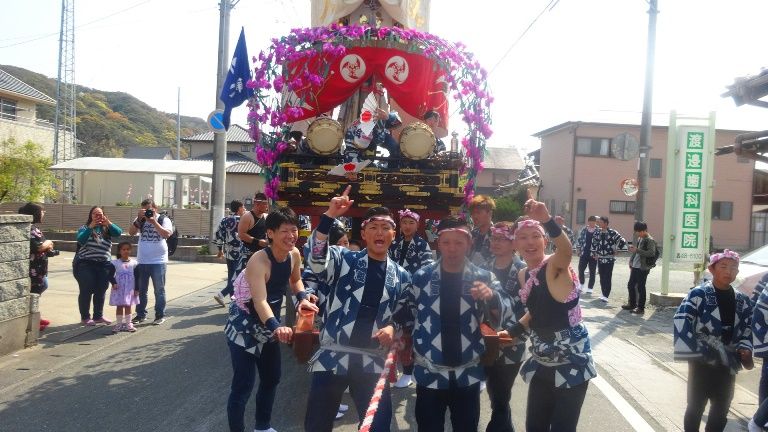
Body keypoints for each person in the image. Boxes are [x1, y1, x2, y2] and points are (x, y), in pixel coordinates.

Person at [303, 186, 411, 431]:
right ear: (363, 233)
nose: (379, 232)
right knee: (317, 425)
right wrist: (330, 215)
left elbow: (404, 315)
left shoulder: (402, 276)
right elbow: (317, 258)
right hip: (333, 355)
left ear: (394, 234)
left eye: (385, 228)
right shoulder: (343, 259)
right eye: (373, 227)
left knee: (379, 425)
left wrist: (393, 328)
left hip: (371, 359)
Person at [390, 216, 513, 432]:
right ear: (438, 243)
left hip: (468, 373)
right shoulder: (421, 277)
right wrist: (395, 333)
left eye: (459, 243)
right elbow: (404, 312)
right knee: (429, 427)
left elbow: (507, 311)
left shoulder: (483, 276)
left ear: (468, 244)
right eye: (446, 242)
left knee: (466, 427)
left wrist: (491, 296)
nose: (452, 248)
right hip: (430, 372)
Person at [224, 206, 317, 432]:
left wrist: (303, 298)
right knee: (243, 386)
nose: (291, 236)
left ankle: (262, 426)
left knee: (271, 378)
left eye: (294, 230)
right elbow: (260, 302)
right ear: (271, 233)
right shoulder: (259, 261)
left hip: (268, 327)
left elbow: (295, 282)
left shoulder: (294, 254)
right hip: (244, 328)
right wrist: (277, 327)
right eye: (285, 231)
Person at [512, 194, 596, 432]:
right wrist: (513, 331)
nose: (530, 243)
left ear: (545, 240)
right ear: (515, 244)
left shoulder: (554, 266)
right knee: (535, 427)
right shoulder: (523, 275)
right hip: (542, 361)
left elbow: (566, 249)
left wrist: (546, 219)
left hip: (571, 362)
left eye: (536, 236)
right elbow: (537, 311)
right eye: (523, 238)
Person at [674, 249, 753, 432]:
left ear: (738, 272)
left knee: (722, 407)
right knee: (696, 405)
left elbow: (747, 328)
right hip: (702, 358)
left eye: (733, 268)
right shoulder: (698, 294)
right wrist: (696, 350)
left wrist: (745, 348)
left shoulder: (742, 300)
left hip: (728, 360)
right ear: (712, 269)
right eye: (723, 266)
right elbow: (682, 319)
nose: (728, 271)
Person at [482, 221, 527, 432]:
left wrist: (509, 338)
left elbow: (530, 311)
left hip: (513, 341)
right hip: (486, 339)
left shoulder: (523, 271)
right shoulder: (484, 268)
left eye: (502, 239)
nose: (496, 242)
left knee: (501, 395)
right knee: (495, 394)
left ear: (513, 244)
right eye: (493, 238)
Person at [388, 208, 434, 389]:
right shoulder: (394, 243)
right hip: (395, 293)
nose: (407, 226)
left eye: (411, 223)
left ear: (417, 225)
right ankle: (400, 370)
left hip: (415, 296)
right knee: (397, 334)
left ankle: (413, 370)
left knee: (414, 334)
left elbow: (427, 270)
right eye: (404, 222)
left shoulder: (422, 244)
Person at [74, 206, 123, 326]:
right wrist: (91, 227)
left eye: (100, 214)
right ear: (90, 216)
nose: (98, 216)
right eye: (95, 214)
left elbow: (119, 233)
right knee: (86, 289)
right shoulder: (85, 228)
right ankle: (85, 317)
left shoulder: (107, 228)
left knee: (101, 289)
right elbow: (81, 240)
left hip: (103, 264)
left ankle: (98, 316)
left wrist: (109, 223)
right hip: (85, 263)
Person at [129, 199, 173, 325]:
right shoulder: (140, 220)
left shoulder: (163, 219)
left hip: (159, 261)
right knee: (141, 290)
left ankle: (160, 315)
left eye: (150, 209)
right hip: (142, 260)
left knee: (159, 289)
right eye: (145, 210)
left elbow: (166, 234)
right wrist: (138, 219)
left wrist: (153, 221)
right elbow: (131, 233)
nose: (147, 212)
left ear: (155, 208)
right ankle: (140, 314)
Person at [18, 202, 54, 332]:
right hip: (33, 268)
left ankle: (35, 317)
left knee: (39, 288)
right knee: (36, 290)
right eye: (42, 211)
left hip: (39, 267)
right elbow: (38, 247)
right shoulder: (29, 228)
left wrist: (47, 246)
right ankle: (32, 320)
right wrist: (49, 243)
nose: (43, 213)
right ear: (35, 213)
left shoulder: (34, 228)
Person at [214, 200, 246, 307]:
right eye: (243, 207)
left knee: (231, 276)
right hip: (239, 252)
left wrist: (220, 249)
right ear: (239, 209)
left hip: (228, 252)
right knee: (237, 277)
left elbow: (219, 234)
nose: (245, 209)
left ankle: (233, 300)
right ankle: (221, 294)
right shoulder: (243, 220)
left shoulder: (225, 220)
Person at [622, 221, 657, 315]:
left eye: (638, 231)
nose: (637, 233)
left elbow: (651, 253)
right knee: (630, 285)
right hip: (635, 266)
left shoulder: (650, 240)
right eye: (636, 231)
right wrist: (631, 260)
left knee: (641, 287)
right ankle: (632, 304)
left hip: (643, 267)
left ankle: (641, 308)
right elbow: (636, 251)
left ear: (644, 230)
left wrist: (637, 250)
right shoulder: (640, 239)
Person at [590, 216, 626, 303]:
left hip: (609, 258)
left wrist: (618, 250)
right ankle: (603, 293)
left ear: (606, 223)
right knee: (602, 276)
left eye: (600, 222)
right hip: (600, 258)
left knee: (608, 276)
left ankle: (606, 295)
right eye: (598, 222)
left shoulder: (613, 233)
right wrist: (594, 254)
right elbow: (594, 243)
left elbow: (622, 240)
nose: (599, 224)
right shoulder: (597, 233)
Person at [108, 241, 139, 333]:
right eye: (123, 249)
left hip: (130, 289)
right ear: (119, 251)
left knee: (128, 306)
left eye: (128, 249)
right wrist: (113, 283)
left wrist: (137, 288)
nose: (126, 251)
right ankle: (119, 324)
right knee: (120, 306)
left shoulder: (134, 263)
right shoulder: (114, 263)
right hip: (119, 288)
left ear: (131, 251)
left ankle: (128, 324)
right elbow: (110, 275)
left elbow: (138, 277)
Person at [469, 194, 495, 265]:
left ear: (490, 213)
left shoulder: (497, 235)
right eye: (472, 213)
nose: (474, 216)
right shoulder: (472, 234)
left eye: (478, 212)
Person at [575, 216, 598, 294]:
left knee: (592, 271)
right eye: (590, 222)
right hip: (584, 253)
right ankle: (581, 284)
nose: (592, 223)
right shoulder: (584, 230)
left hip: (593, 254)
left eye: (593, 222)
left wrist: (598, 253)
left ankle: (590, 288)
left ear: (595, 222)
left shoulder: (598, 230)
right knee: (581, 269)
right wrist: (578, 249)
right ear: (588, 222)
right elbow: (579, 239)